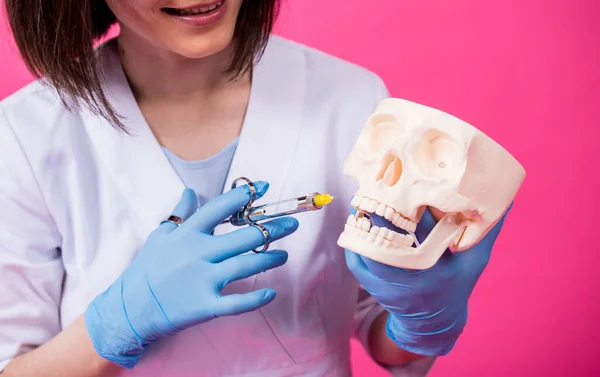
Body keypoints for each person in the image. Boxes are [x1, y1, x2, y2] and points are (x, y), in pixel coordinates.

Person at [0, 0, 510, 376]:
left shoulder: (351, 101)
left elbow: (383, 338)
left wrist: (423, 319)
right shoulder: (25, 134)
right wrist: (116, 323)